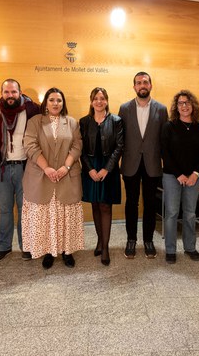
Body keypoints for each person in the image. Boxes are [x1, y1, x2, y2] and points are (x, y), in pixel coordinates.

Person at [21, 88, 84, 269]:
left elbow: (77, 146)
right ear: (46, 103)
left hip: (66, 177)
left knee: (66, 216)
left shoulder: (71, 122)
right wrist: (47, 168)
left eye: (59, 100)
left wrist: (66, 167)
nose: (56, 103)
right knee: (46, 216)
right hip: (42, 177)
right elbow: (30, 146)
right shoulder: (35, 122)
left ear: (63, 103)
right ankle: (48, 251)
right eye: (52, 100)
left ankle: (67, 251)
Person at [0, 79, 40, 262]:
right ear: (1, 93)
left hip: (25, 168)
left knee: (25, 210)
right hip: (0, 169)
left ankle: (26, 246)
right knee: (5, 210)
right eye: (7, 92)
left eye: (14, 92)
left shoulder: (32, 110)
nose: (10, 96)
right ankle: (4, 246)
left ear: (20, 92)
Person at [118, 72, 168, 259]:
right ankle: (131, 239)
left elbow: (164, 139)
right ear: (134, 87)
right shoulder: (124, 108)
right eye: (138, 83)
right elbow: (120, 139)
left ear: (151, 85)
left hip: (152, 164)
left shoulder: (161, 110)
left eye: (145, 82)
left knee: (150, 203)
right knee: (131, 203)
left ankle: (148, 240)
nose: (142, 85)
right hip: (130, 164)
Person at [161, 90, 199, 264]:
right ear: (176, 106)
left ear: (193, 106)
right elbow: (165, 153)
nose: (184, 106)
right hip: (171, 176)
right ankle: (170, 250)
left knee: (190, 213)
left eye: (187, 103)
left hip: (193, 178)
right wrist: (179, 174)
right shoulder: (169, 126)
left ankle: (190, 247)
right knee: (172, 213)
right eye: (181, 103)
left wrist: (195, 174)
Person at [80, 87, 124, 266]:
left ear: (106, 100)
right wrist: (90, 169)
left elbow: (120, 146)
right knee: (95, 205)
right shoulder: (83, 122)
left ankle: (105, 247)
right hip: (90, 168)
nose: (99, 101)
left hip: (109, 168)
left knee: (105, 206)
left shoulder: (116, 121)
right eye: (95, 98)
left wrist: (107, 169)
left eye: (102, 98)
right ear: (91, 102)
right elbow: (80, 149)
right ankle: (99, 240)